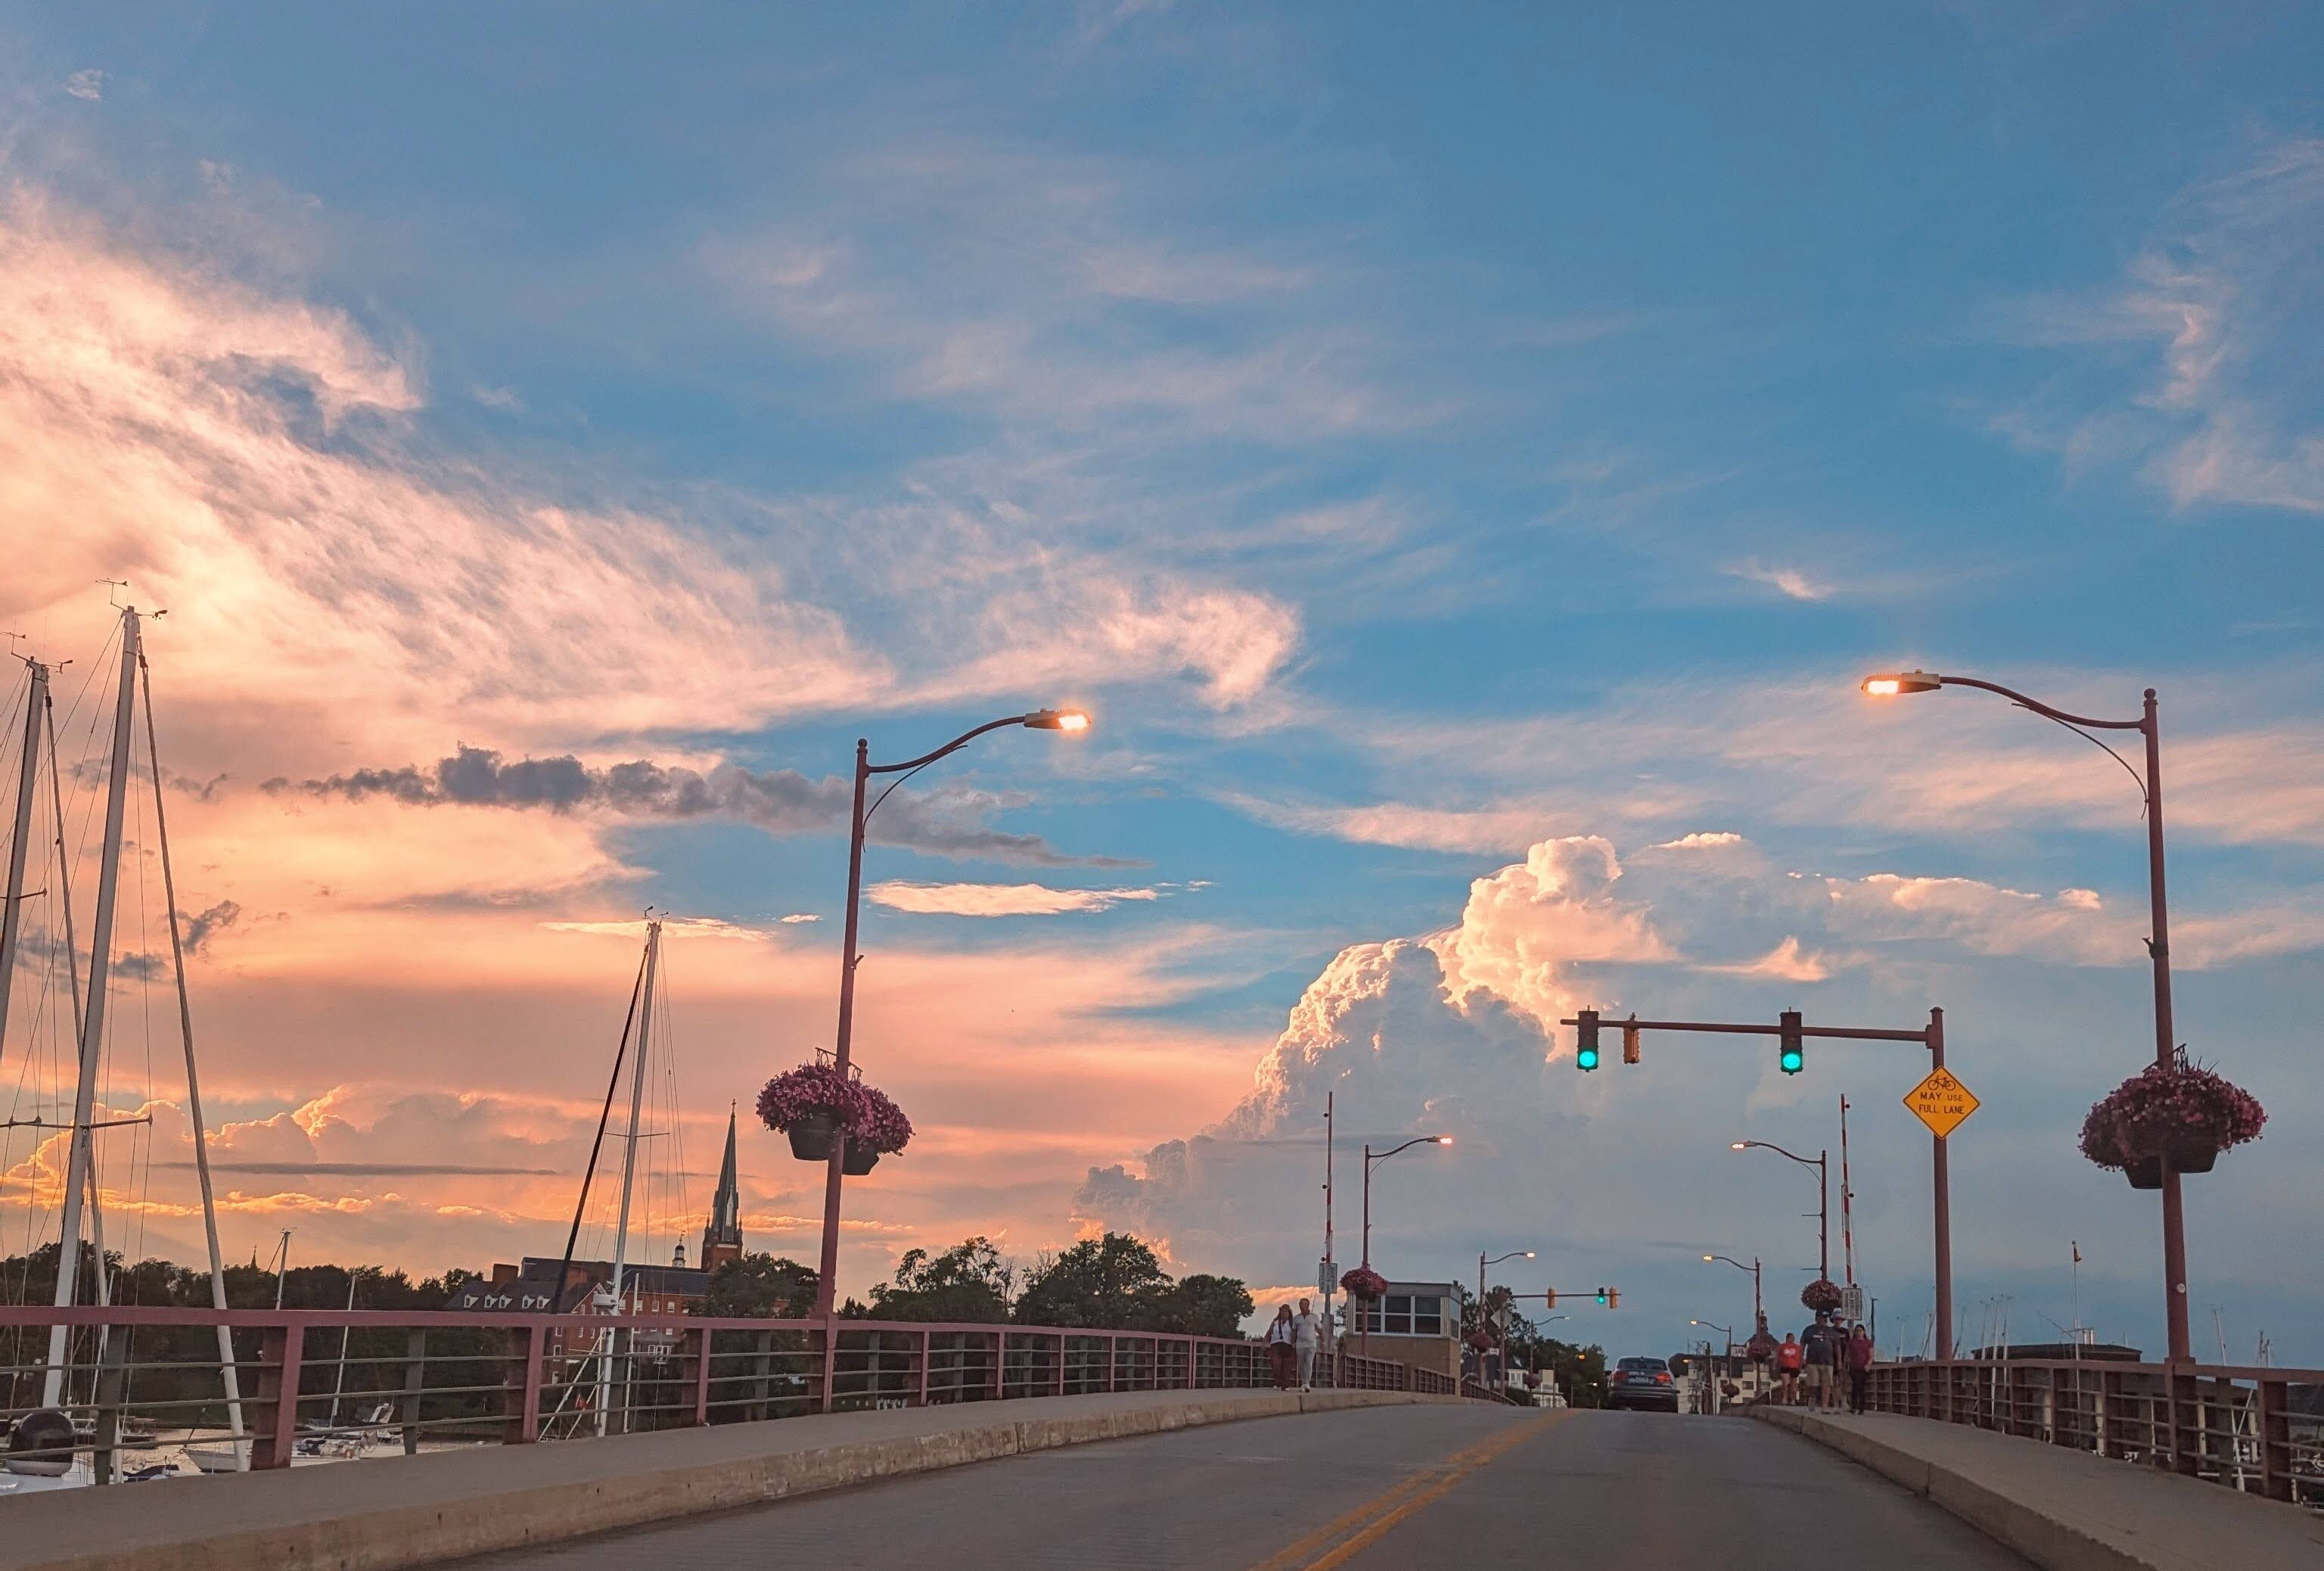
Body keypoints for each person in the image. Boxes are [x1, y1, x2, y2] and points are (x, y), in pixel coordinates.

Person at [1801, 1311, 1838, 1411]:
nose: (1825, 1320)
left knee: (1827, 1384)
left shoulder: (1832, 1332)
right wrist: (1801, 1358)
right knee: (1813, 1384)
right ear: (1817, 1318)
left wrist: (1839, 1361)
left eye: (1826, 1318)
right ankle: (1812, 1398)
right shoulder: (1809, 1330)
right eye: (1822, 1317)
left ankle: (1824, 1405)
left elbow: (1837, 1347)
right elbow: (1803, 1344)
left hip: (1828, 1362)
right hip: (1813, 1361)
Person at [1291, 1296, 1325, 1391]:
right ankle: (1303, 1382)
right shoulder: (1297, 1318)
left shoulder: (1314, 1317)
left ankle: (1307, 1383)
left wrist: (1323, 1341)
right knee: (1301, 1364)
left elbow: (1320, 1329)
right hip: (1300, 1344)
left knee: (1308, 1363)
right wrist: (1292, 1343)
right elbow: (1294, 1332)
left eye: (1302, 1304)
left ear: (1307, 1305)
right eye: (1300, 1304)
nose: (1301, 1306)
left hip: (1311, 1344)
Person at [1266, 1304, 1297, 1389]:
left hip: (1287, 1345)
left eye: (1285, 1312)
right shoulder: (1275, 1322)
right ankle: (1277, 1382)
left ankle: (1285, 1384)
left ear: (1289, 1313)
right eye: (1282, 1311)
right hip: (1276, 1344)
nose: (1283, 1313)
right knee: (1276, 1364)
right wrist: (1265, 1342)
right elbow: (1269, 1332)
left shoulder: (1291, 1323)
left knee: (1287, 1366)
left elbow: (1294, 1333)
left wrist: (1292, 1343)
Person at [1847, 1321, 1875, 1414]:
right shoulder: (1852, 1342)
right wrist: (1845, 1365)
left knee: (1862, 1388)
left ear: (1863, 1332)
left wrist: (1868, 1364)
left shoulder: (1868, 1342)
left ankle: (1861, 1408)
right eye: (1857, 1330)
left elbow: (1871, 1356)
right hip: (1854, 1367)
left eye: (1860, 1330)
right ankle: (1854, 1406)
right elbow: (1848, 1354)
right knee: (1854, 1386)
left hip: (1863, 1368)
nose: (1858, 1332)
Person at [1776, 1330, 1803, 1405]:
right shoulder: (1782, 1346)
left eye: (1793, 1338)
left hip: (1794, 1367)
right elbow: (1778, 1356)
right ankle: (1785, 1398)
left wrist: (1800, 1366)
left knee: (1793, 1385)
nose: (1792, 1339)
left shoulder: (1797, 1347)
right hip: (1785, 1366)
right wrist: (1777, 1365)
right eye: (1791, 1338)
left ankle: (1792, 1399)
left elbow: (1800, 1357)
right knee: (1785, 1383)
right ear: (1787, 1338)